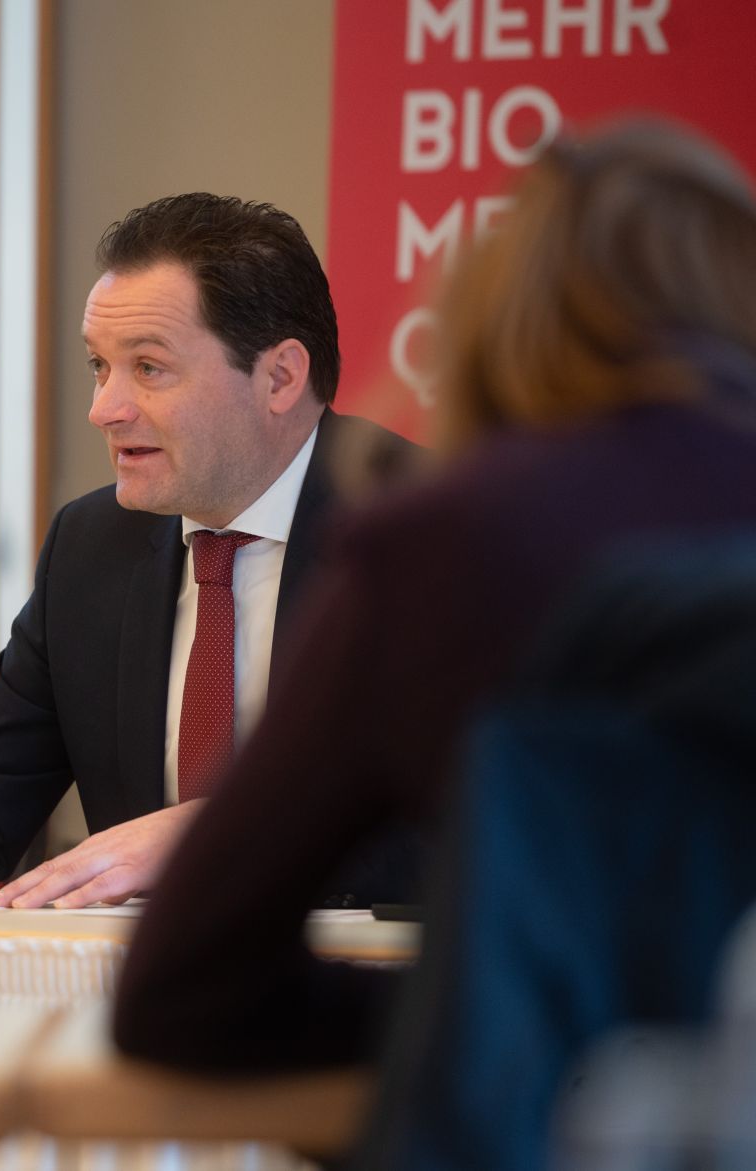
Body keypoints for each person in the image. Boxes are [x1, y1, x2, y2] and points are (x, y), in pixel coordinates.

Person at [114, 120, 756, 1071]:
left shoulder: (434, 546)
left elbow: (184, 986)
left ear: (495, 315)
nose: (108, 407)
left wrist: (488, 1007)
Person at [0, 194, 416, 906]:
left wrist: (220, 835)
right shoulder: (91, 546)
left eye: (148, 367)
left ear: (281, 377)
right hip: (141, 987)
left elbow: (463, 827)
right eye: (100, 367)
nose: (104, 408)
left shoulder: (431, 533)